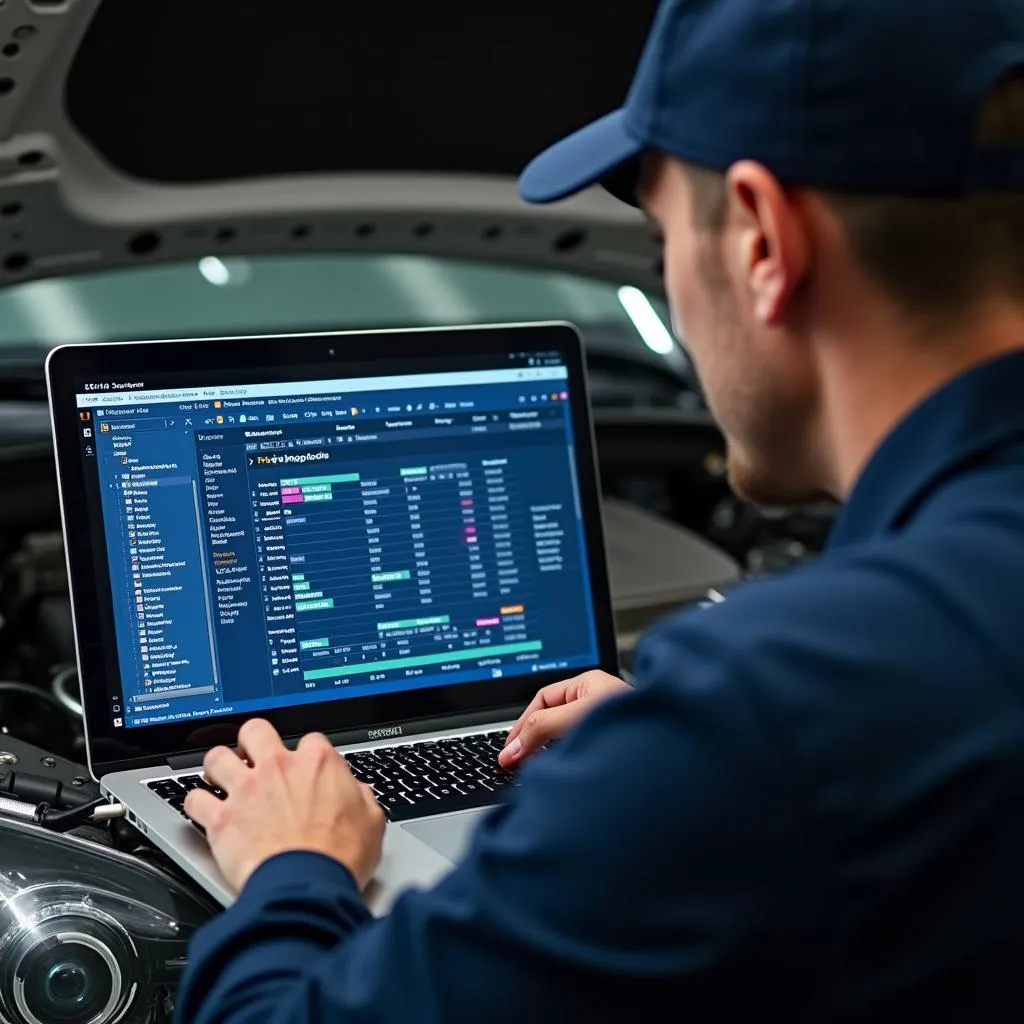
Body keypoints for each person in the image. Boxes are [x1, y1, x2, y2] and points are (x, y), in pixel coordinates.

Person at [174, 0, 1024, 1020]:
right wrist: (669, 764)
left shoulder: (769, 708)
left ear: (761, 239)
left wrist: (293, 869)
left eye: (661, 233)